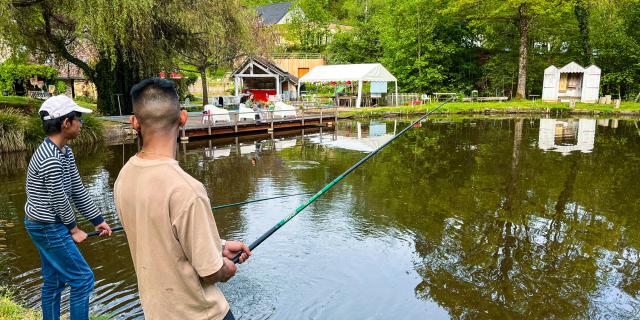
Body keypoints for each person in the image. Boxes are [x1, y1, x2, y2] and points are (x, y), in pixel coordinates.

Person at [114, 78, 251, 320]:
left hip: (157, 313)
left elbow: (162, 238)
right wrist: (225, 268)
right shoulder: (187, 189)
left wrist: (218, 246)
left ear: (134, 121)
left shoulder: (124, 176)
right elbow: (211, 271)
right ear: (183, 117)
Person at [23, 95, 112, 320]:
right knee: (82, 279)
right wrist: (73, 229)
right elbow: (58, 200)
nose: (81, 123)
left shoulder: (65, 152)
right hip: (46, 226)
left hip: (47, 225)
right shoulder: (49, 159)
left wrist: (97, 220)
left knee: (54, 281)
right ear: (66, 123)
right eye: (78, 118)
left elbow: (76, 190)